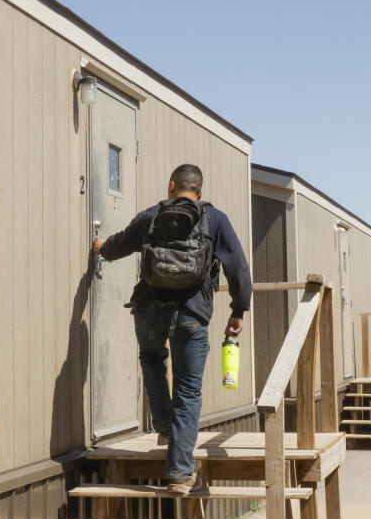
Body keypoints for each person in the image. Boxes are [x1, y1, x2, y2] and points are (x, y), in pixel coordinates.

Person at [93, 163, 252, 494]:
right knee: (188, 389)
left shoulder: (151, 216)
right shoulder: (215, 219)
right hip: (192, 315)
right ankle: (179, 474)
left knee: (152, 358)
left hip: (149, 309)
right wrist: (237, 310)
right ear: (199, 192)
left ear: (170, 186)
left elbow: (119, 245)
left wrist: (100, 247)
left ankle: (163, 426)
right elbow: (238, 268)